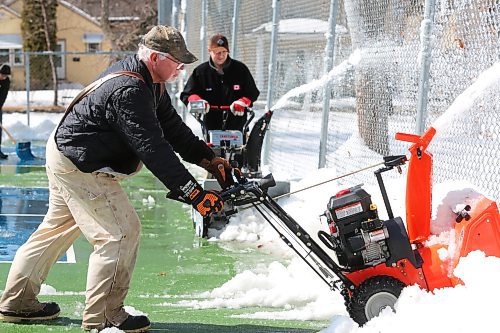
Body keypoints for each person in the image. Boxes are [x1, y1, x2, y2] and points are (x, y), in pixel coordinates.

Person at [0, 25, 233, 332]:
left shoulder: (152, 82)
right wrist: (194, 193)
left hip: (67, 153)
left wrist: (209, 159)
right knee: (119, 233)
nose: (181, 67)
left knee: (56, 230)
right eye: (176, 60)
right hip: (80, 165)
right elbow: (153, 148)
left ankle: (17, 302)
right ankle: (105, 317)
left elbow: (173, 131)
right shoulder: (131, 90)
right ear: (154, 57)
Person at [180, 33, 260, 134]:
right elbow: (188, 94)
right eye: (217, 52)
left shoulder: (240, 69)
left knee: (239, 149)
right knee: (211, 150)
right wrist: (197, 100)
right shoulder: (201, 72)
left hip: (237, 125)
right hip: (211, 125)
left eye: (224, 52)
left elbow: (252, 92)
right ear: (210, 51)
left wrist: (243, 101)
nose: (221, 56)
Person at [0, 63, 11, 159]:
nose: (4, 77)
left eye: (6, 76)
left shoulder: (6, 82)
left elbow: (3, 96)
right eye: (3, 75)